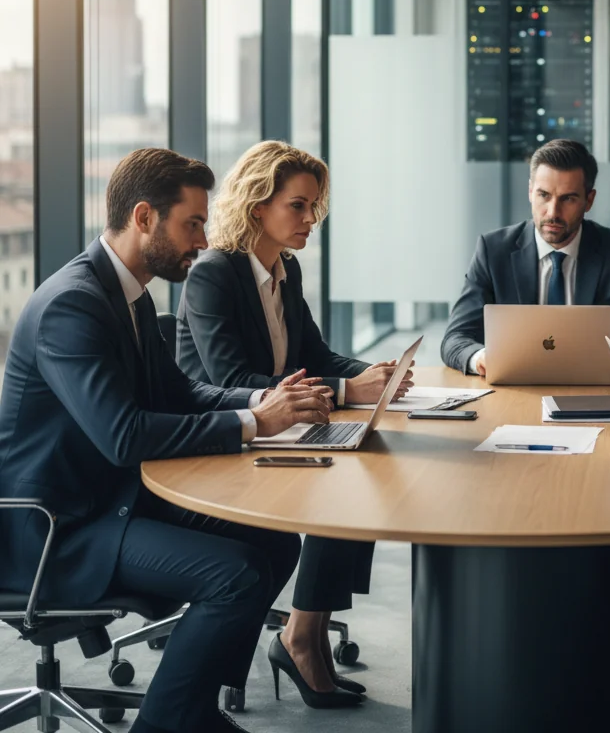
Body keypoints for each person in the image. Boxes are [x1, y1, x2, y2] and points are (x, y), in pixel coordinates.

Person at [0, 148, 336, 733]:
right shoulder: (72, 304)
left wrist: (263, 402)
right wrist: (254, 424)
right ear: (144, 217)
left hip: (110, 501)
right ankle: (167, 723)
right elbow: (124, 436)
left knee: (276, 540)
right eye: (193, 223)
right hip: (57, 529)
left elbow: (179, 391)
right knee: (235, 574)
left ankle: (193, 708)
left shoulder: (127, 294)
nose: (204, 240)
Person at [177, 140, 411, 709]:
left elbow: (317, 356)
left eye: (314, 207)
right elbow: (233, 379)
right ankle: (301, 639)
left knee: (364, 469)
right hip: (221, 436)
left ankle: (307, 632)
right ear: (259, 206)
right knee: (345, 482)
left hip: (277, 428)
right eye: (298, 206)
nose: (311, 219)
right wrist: (346, 391)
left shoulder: (286, 269)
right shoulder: (214, 274)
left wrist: (376, 375)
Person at [440, 138, 610, 376]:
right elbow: (456, 338)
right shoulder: (493, 250)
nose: (552, 212)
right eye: (544, 195)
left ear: (589, 200)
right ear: (530, 192)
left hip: (592, 388)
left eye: (568, 198)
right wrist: (482, 358)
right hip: (513, 388)